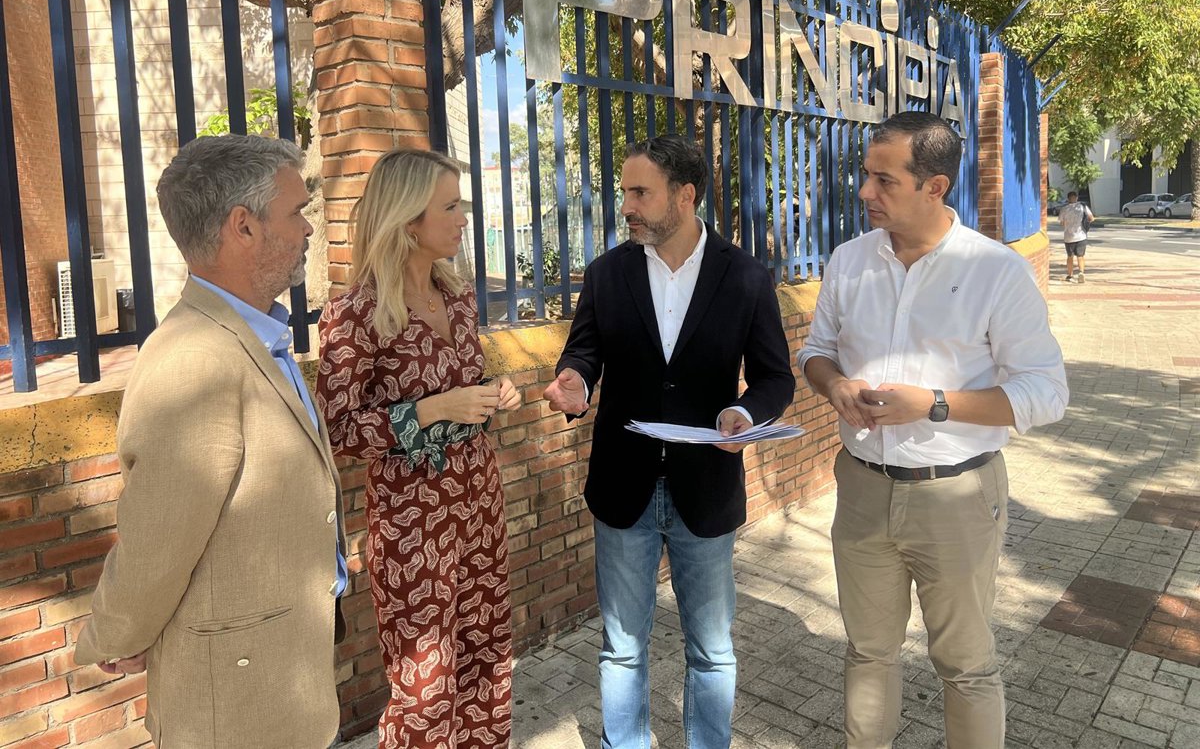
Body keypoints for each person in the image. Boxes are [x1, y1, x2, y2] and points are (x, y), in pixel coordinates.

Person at [798, 111, 1069, 749]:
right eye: (866, 175)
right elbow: (816, 351)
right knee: (869, 651)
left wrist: (934, 405)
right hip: (862, 489)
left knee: (966, 664)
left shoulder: (994, 271)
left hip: (957, 495)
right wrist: (834, 385)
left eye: (884, 180)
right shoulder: (849, 260)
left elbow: (1046, 393)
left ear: (935, 187)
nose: (865, 191)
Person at [74, 135, 346, 749]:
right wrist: (116, 636)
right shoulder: (193, 359)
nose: (308, 230)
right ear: (243, 226)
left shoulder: (253, 335)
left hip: (280, 687)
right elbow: (157, 539)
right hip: (237, 711)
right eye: (296, 212)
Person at [544, 134, 795, 749]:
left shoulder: (744, 276)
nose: (626, 207)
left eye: (640, 193)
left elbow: (776, 377)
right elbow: (584, 352)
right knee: (621, 647)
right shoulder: (607, 273)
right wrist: (575, 379)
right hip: (622, 487)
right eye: (625, 192)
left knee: (711, 650)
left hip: (704, 489)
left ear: (684, 195)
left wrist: (744, 411)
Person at [317, 149, 520, 749]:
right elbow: (335, 429)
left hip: (478, 501)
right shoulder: (355, 313)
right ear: (408, 220)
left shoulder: (456, 296)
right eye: (450, 207)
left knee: (488, 659)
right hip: (413, 520)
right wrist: (428, 411)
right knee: (425, 687)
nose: (463, 218)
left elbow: (461, 387)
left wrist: (493, 393)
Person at [1058, 191, 1094, 282]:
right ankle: (1081, 273)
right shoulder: (1082, 207)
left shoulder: (1064, 209)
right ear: (1076, 198)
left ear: (1068, 198)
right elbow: (1091, 218)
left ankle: (1070, 275)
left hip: (1069, 237)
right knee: (1080, 256)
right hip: (1081, 235)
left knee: (1070, 256)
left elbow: (1062, 223)